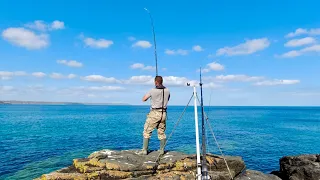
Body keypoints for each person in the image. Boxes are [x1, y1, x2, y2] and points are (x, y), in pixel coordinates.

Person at [137, 76, 170, 155]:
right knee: (161, 132)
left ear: (155, 82)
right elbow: (168, 99)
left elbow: (144, 99)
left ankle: (144, 150)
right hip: (163, 114)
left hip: (154, 113)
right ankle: (162, 150)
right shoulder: (167, 90)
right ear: (162, 81)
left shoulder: (152, 90)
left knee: (147, 131)